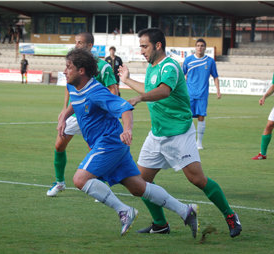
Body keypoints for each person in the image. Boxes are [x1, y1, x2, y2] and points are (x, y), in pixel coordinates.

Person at [58, 48, 198, 237]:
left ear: (81, 71)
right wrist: (63, 116)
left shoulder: (96, 92)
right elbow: (75, 103)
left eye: (68, 67)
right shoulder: (73, 86)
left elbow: (125, 108)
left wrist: (127, 129)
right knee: (138, 187)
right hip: (110, 145)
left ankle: (124, 211)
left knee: (80, 179)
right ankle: (185, 210)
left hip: (110, 143)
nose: (65, 71)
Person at [118, 28, 242, 238]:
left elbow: (163, 91)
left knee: (197, 180)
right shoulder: (152, 67)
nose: (142, 51)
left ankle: (230, 215)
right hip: (157, 134)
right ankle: (160, 224)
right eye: (140, 47)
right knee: (139, 183)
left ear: (158, 46)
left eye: (145, 46)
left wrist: (139, 99)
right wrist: (127, 80)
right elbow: (149, 88)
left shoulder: (171, 66)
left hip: (179, 133)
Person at [47, 32, 118, 197]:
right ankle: (59, 183)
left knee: (95, 151)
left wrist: (108, 109)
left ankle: (100, 186)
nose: (76, 45)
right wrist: (64, 111)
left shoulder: (103, 66)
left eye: (80, 43)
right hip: (76, 113)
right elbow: (70, 88)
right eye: (75, 42)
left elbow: (113, 90)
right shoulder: (72, 64)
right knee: (59, 145)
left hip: (94, 117)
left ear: (90, 46)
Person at [182, 38, 221, 150]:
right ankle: (188, 142)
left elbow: (215, 76)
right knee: (187, 117)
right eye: (198, 45)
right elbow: (181, 76)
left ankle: (199, 142)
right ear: (195, 47)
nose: (200, 47)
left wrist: (218, 90)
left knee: (201, 117)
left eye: (202, 46)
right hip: (189, 94)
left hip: (203, 94)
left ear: (205, 47)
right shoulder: (188, 60)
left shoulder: (210, 61)